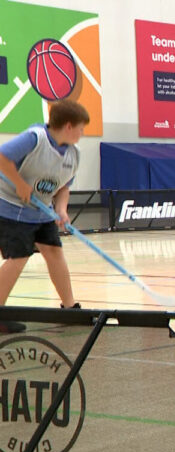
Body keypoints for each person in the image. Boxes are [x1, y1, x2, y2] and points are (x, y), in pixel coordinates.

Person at [0, 99, 90, 333]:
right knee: (18, 258)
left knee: (54, 252)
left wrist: (61, 209)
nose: (82, 133)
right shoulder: (35, 138)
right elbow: (2, 157)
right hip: (12, 208)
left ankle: (70, 309)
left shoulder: (74, 154)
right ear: (68, 126)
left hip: (41, 212)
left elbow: (64, 187)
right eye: (81, 128)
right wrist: (19, 183)